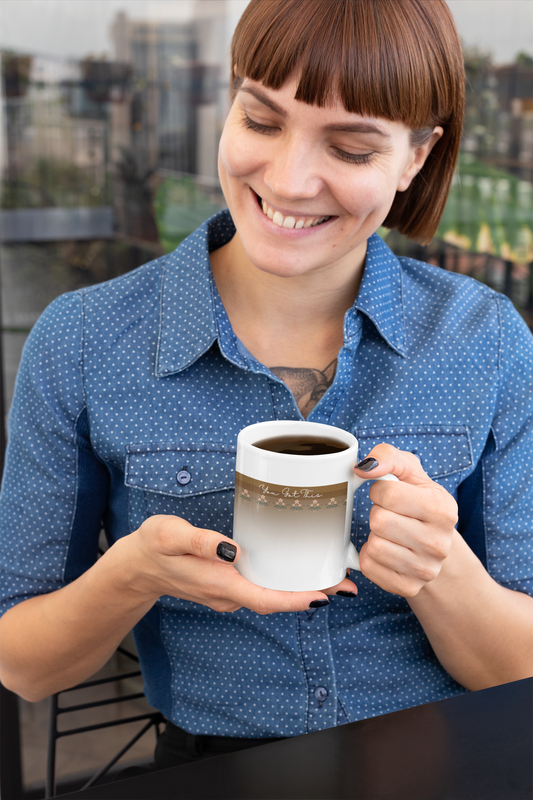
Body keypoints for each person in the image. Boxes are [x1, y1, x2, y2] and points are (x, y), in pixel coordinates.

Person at [1, 0, 532, 770]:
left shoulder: (485, 341)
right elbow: (23, 664)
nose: (287, 179)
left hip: (448, 761)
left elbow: (518, 671)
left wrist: (438, 567)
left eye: (350, 149)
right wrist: (133, 572)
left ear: (414, 159)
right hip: (209, 764)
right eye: (260, 119)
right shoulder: (83, 341)